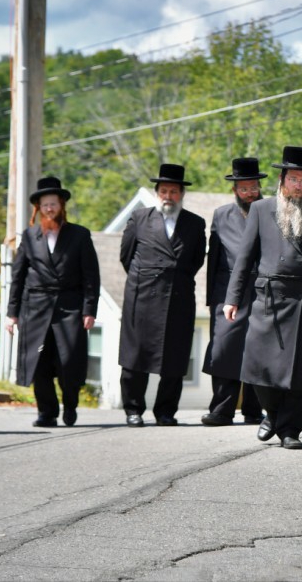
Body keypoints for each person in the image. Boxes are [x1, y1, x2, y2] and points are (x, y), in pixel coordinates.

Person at [224, 146, 302, 449]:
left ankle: (290, 431)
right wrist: (232, 298)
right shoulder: (261, 210)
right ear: (283, 179)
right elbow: (245, 258)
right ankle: (273, 415)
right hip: (269, 298)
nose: (299, 185)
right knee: (259, 367)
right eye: (294, 179)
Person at [6, 177, 100, 428]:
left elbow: (91, 276)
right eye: (45, 204)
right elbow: (18, 276)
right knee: (40, 363)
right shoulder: (29, 236)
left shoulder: (79, 235)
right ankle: (46, 413)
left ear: (61, 206)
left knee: (69, 362)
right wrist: (11, 313)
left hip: (70, 307)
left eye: (54, 204)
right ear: (39, 208)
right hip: (35, 307)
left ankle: (70, 405)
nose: (50, 208)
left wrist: (89, 309)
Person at [118, 164, 207, 427]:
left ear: (181, 194)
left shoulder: (194, 223)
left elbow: (195, 261)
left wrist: (174, 277)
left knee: (175, 358)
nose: (168, 195)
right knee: (135, 357)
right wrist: (146, 278)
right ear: (157, 193)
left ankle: (166, 412)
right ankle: (133, 409)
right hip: (141, 297)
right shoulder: (139, 218)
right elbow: (126, 256)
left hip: (177, 298)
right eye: (164, 191)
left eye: (174, 191)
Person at [200, 158, 265, 427]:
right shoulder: (221, 215)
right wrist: (212, 298)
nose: (249, 193)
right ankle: (222, 410)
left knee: (257, 350)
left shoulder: (270, 211)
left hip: (261, 290)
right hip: (227, 293)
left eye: (253, 188)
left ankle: (253, 410)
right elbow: (214, 258)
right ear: (234, 190)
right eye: (243, 188)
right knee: (224, 349)